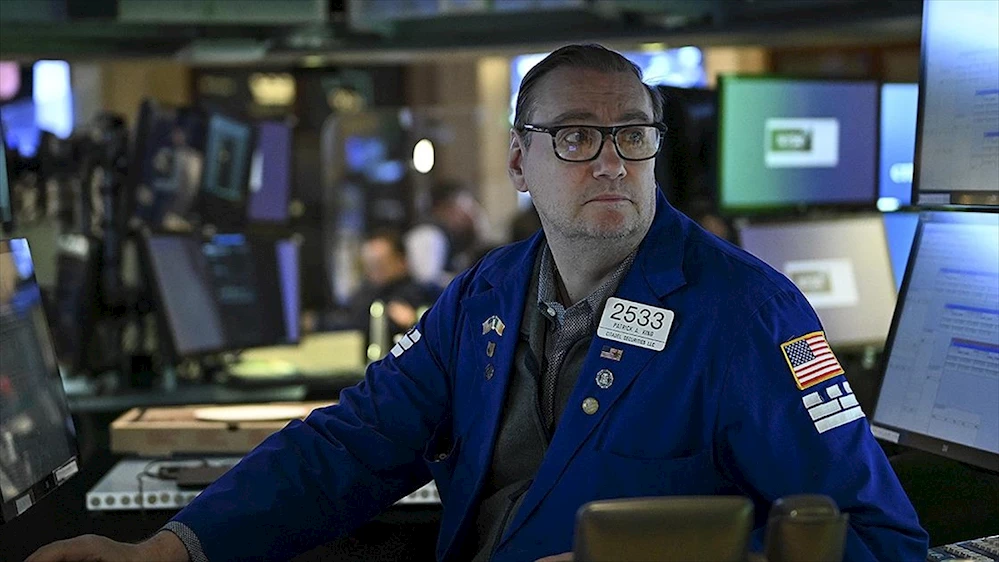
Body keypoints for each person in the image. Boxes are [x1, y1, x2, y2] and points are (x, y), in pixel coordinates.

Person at [28, 44, 928, 562]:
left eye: (631, 134)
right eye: (574, 136)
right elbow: (352, 444)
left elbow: (878, 541)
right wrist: (174, 550)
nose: (609, 160)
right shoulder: (487, 294)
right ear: (517, 162)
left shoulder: (745, 315)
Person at [405, 180, 490, 288]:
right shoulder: (428, 233)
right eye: (463, 207)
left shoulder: (455, 236)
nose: (467, 214)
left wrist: (476, 225)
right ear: (444, 208)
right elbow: (426, 279)